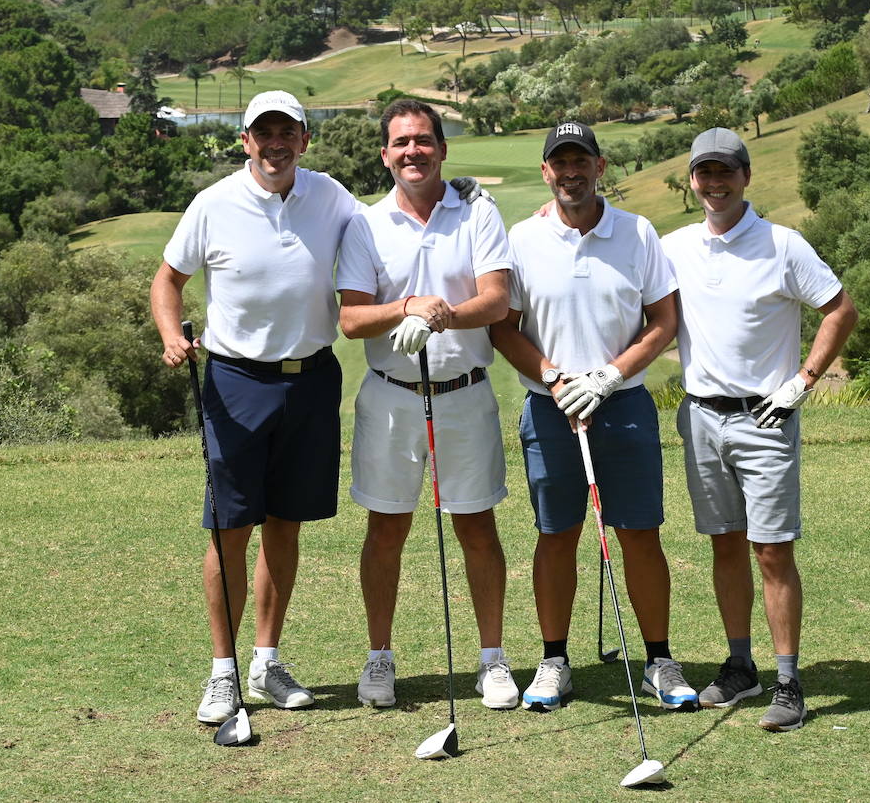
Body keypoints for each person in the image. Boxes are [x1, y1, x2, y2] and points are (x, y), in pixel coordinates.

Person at [150, 90, 363, 726]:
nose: (275, 142)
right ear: (246, 140)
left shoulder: (330, 196)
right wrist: (170, 335)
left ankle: (266, 661)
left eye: (286, 132)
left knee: (286, 522)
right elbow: (168, 279)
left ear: (304, 139)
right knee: (229, 525)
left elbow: (391, 224)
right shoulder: (213, 203)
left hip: (311, 380)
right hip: (235, 380)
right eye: (262, 132)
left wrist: (459, 199)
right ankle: (224, 674)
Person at [490, 121, 697, 713]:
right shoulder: (522, 239)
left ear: (600, 167)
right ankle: (554, 661)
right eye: (561, 163)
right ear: (546, 171)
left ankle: (658, 658)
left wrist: (610, 374)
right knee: (556, 535)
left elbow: (664, 319)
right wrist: (554, 376)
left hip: (624, 404)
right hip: (549, 407)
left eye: (582, 161)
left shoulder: (637, 232)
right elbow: (504, 326)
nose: (571, 172)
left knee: (639, 534)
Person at [660, 127, 857, 732]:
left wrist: (804, 379)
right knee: (724, 543)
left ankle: (788, 681)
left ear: (746, 177)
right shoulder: (673, 246)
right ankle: (740, 665)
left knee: (771, 550)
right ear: (692, 180)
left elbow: (840, 310)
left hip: (765, 416)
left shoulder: (782, 243)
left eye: (726, 173)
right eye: (704, 173)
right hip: (699, 416)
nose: (714, 184)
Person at [336, 99, 519, 711]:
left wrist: (441, 316)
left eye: (423, 140)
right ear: (385, 155)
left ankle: (492, 659)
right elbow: (353, 318)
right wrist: (407, 308)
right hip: (391, 398)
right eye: (400, 142)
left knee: (476, 526)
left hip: (464, 395)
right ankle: (379, 656)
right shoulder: (366, 224)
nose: (412, 151)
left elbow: (496, 300)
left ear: (442, 148)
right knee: (386, 529)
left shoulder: (477, 213)